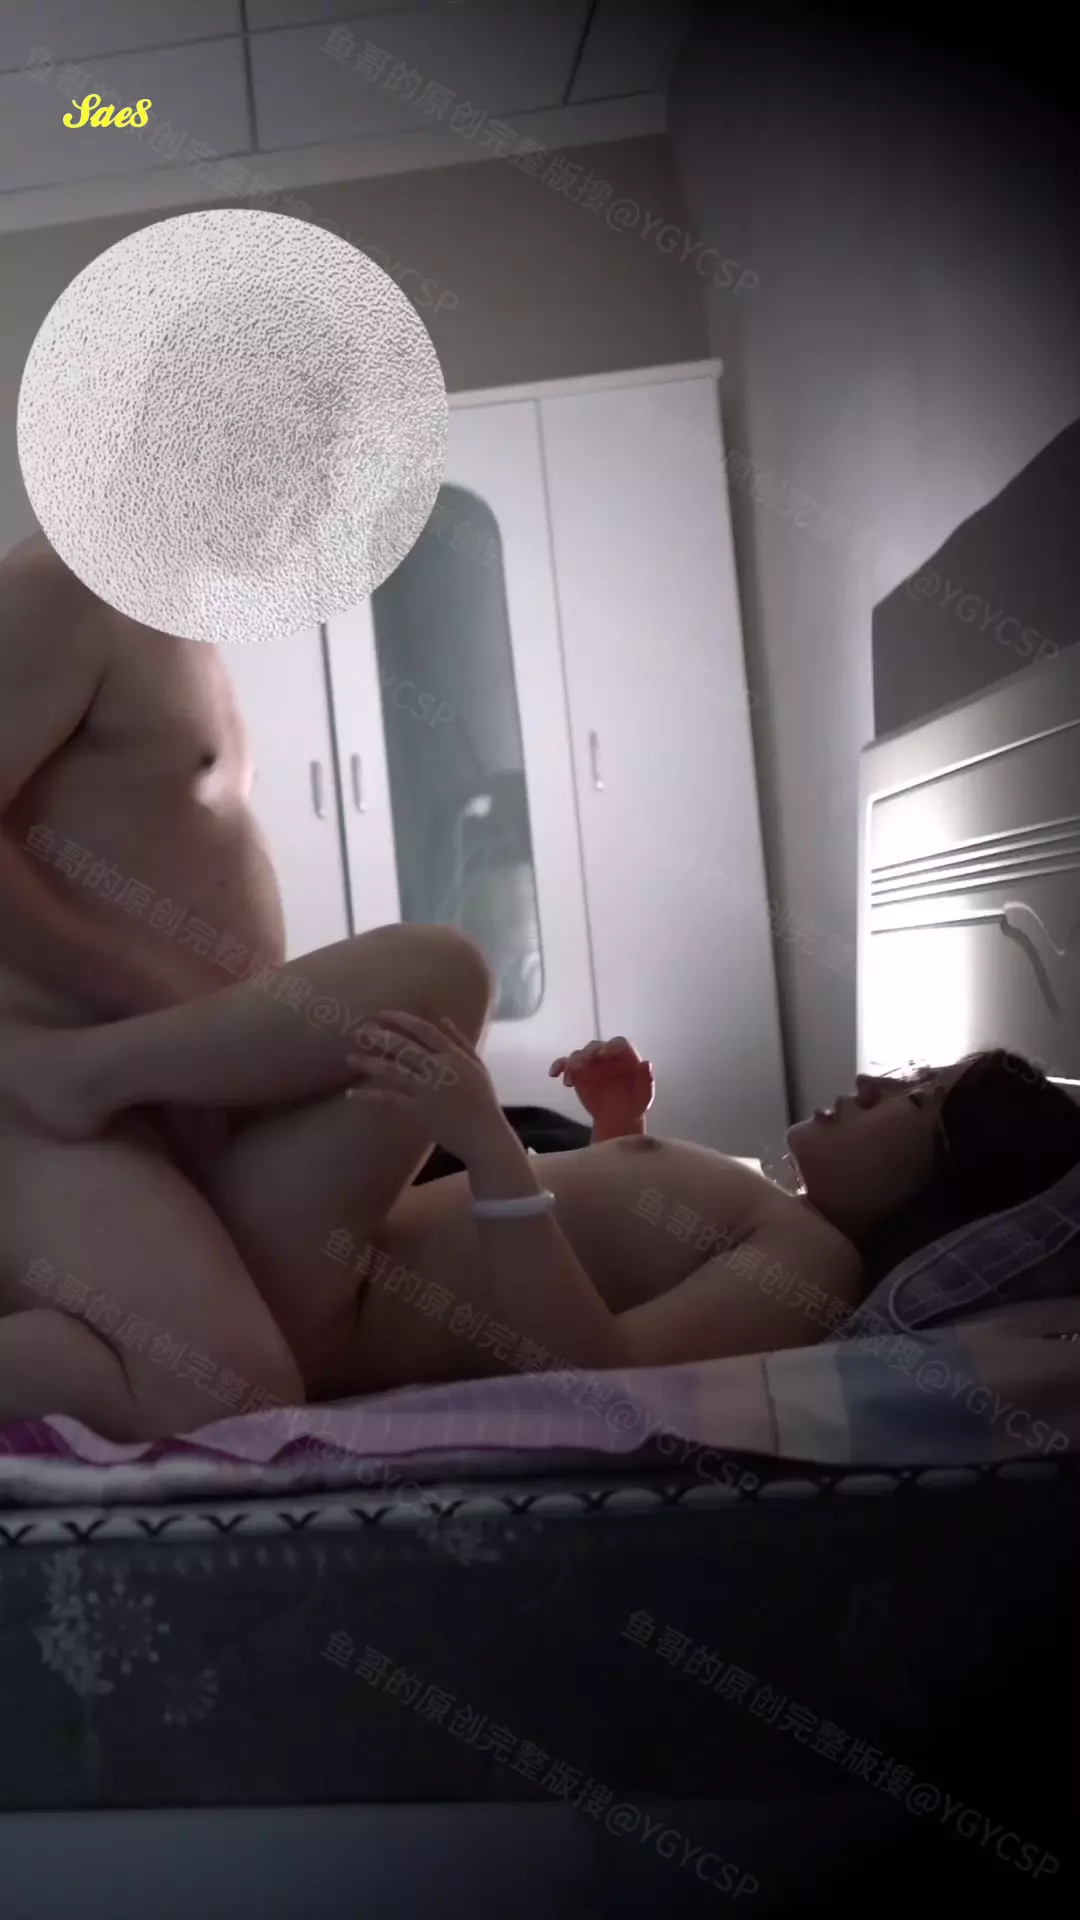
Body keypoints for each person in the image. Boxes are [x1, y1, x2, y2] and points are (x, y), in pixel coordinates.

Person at [4, 919, 1080, 1442]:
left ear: (936, 1195)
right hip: (324, 1265)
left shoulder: (816, 1267)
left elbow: (599, 1372)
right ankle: (86, 1105)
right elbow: (610, 1262)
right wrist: (620, 1134)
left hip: (331, 1304)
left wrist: (491, 1147)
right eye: (913, 1071)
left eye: (916, 1103)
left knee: (441, 977)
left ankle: (76, 1075)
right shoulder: (775, 1208)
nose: (880, 1080)